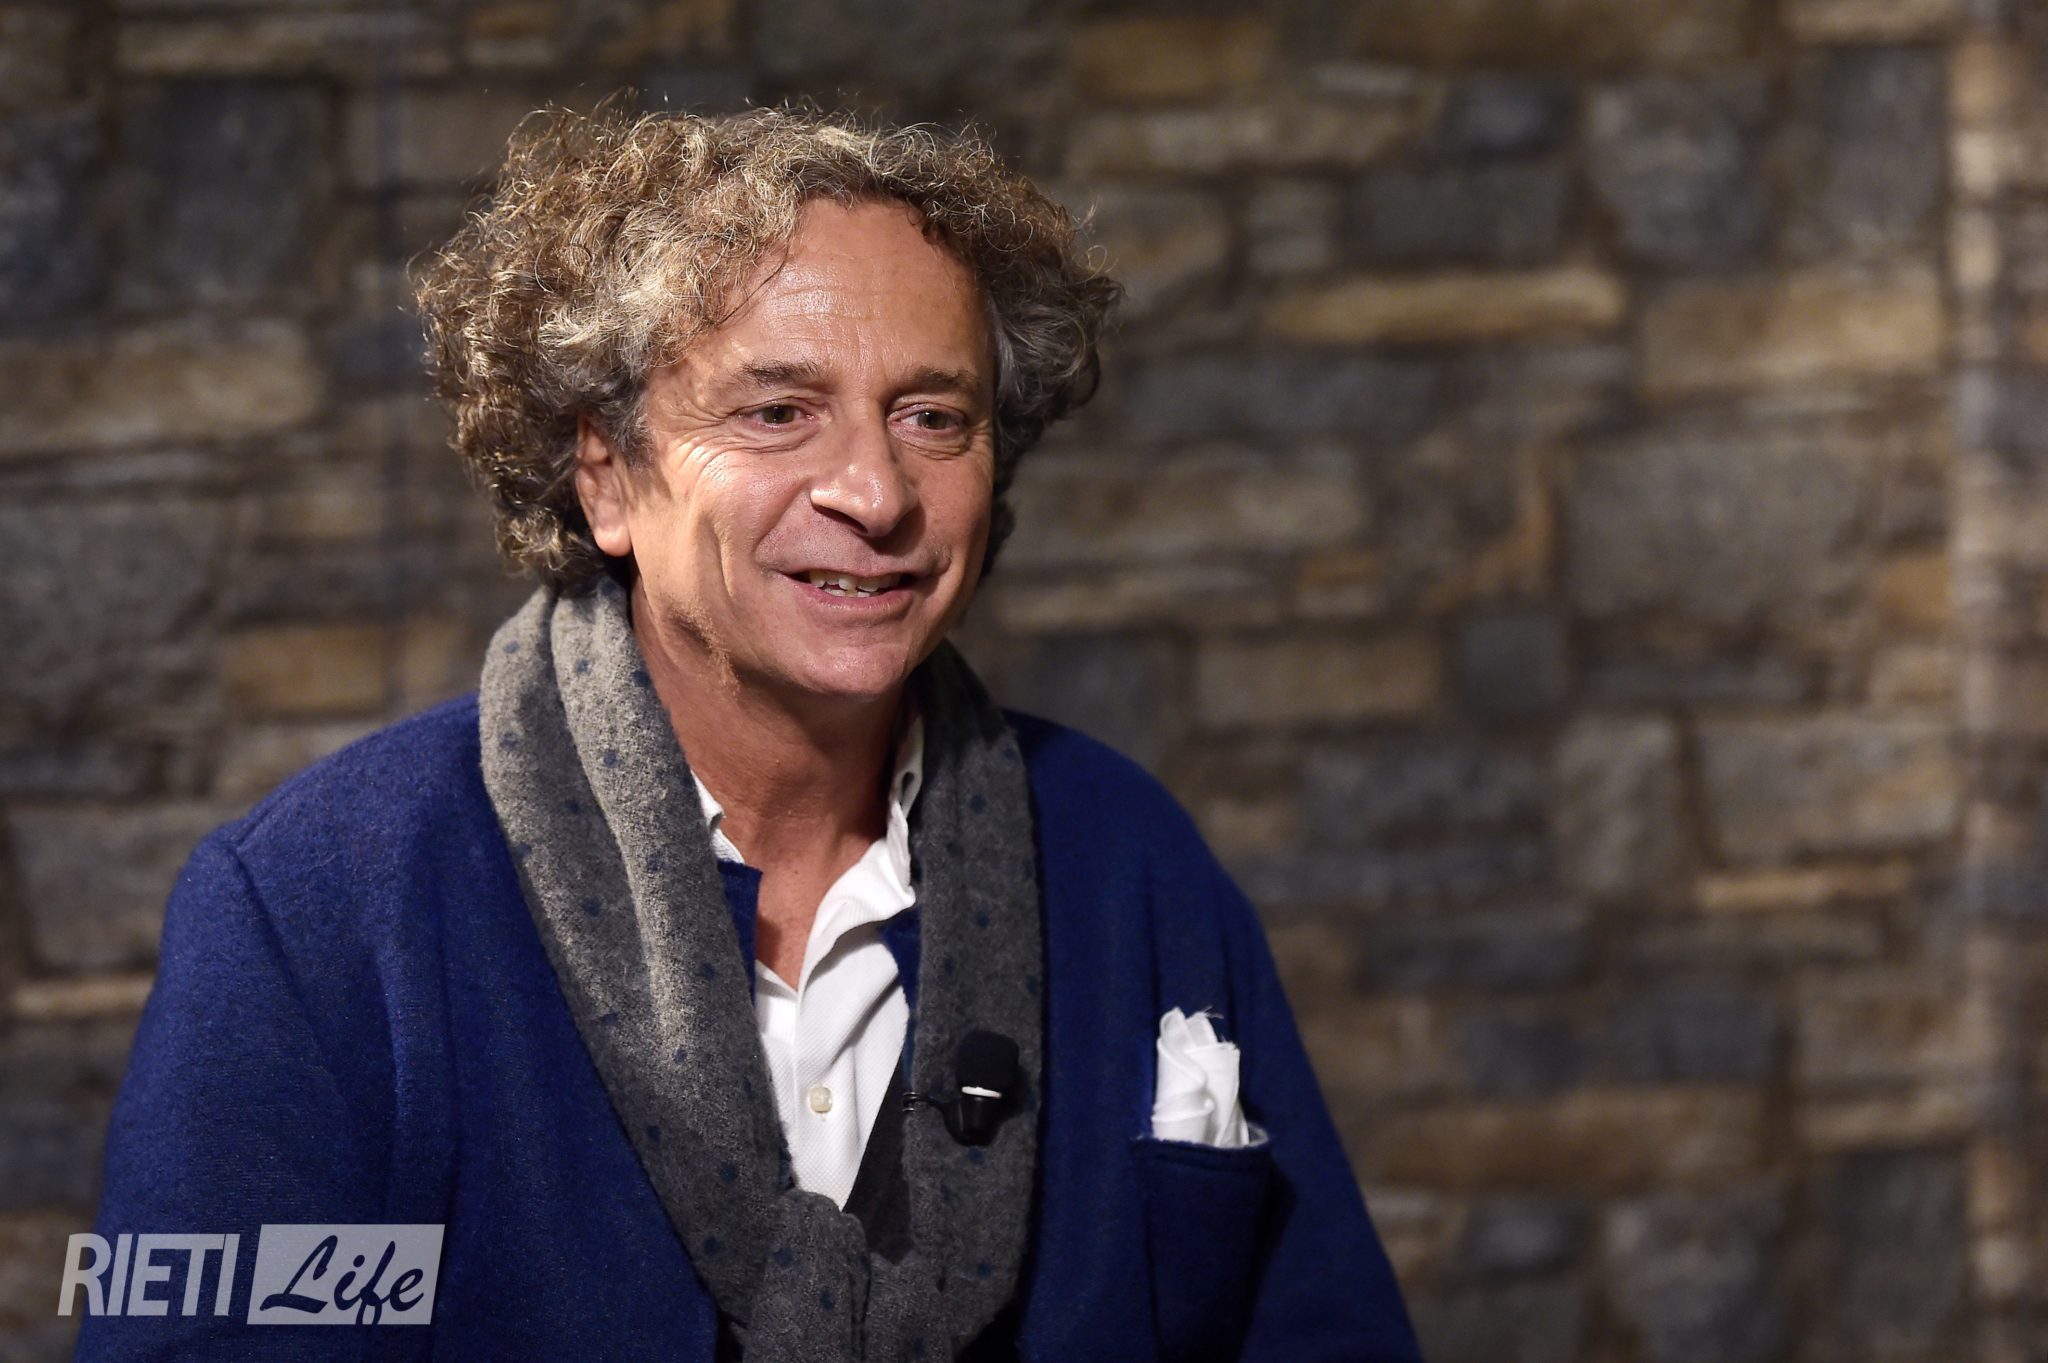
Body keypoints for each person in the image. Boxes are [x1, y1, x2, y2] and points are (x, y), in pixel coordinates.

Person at [78, 105, 1421, 1362]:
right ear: (607, 474)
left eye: (933, 417)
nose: (875, 492)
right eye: (777, 412)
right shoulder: (317, 912)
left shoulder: (1132, 863)